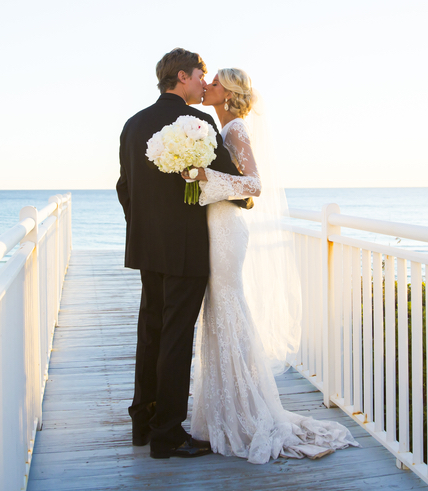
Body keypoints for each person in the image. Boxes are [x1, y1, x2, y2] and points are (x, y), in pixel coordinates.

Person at [181, 68, 358, 464]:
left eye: (213, 83)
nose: (205, 85)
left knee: (228, 305)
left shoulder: (235, 130)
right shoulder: (223, 128)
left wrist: (204, 177)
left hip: (227, 229)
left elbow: (255, 184)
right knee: (221, 309)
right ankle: (229, 406)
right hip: (217, 224)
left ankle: (245, 409)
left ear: (227, 93)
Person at [116, 49, 251, 459]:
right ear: (181, 76)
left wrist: (143, 228)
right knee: (177, 338)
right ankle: (168, 434)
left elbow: (125, 187)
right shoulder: (199, 123)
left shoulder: (133, 124)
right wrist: (244, 202)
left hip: (147, 246)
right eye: (199, 75)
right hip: (188, 248)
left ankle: (143, 421)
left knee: (151, 331)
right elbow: (231, 178)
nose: (203, 82)